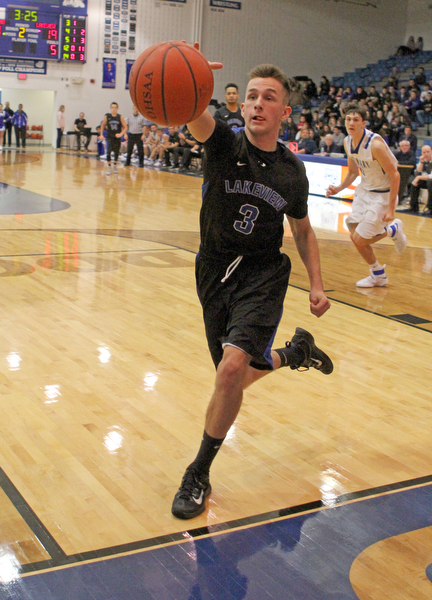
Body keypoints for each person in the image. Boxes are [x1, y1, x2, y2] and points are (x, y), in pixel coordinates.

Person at [171, 57, 332, 521]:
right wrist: (190, 74)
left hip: (263, 274)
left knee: (230, 371)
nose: (258, 104)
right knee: (235, 378)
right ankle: (294, 354)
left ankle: (198, 471)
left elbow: (301, 230)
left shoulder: (292, 172)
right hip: (215, 271)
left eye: (269, 98)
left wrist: (317, 284)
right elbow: (190, 111)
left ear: (285, 113)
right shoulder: (223, 144)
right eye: (252, 96)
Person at [326, 102, 407, 288]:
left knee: (361, 238)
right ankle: (378, 274)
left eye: (355, 119)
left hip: (383, 194)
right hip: (365, 191)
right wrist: (338, 189)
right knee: (354, 234)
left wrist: (391, 208)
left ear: (364, 123)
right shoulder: (347, 141)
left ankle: (392, 230)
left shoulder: (375, 145)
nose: (351, 123)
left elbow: (395, 174)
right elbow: (353, 172)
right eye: (348, 119)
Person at [402, 144, 432, 214]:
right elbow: (417, 173)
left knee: (430, 182)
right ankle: (413, 207)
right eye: (424, 152)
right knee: (415, 182)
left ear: (431, 152)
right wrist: (421, 162)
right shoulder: (423, 160)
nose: (426, 154)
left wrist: (418, 177)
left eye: (428, 152)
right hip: (428, 181)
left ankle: (430, 207)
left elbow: (431, 176)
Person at [99, 102, 127, 175]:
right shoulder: (107, 116)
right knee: (108, 151)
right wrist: (101, 134)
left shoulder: (120, 117)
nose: (114, 109)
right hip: (109, 137)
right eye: (112, 107)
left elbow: (125, 127)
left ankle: (115, 166)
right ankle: (108, 167)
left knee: (116, 152)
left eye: (115, 107)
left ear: (117, 108)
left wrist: (121, 134)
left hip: (117, 137)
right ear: (110, 108)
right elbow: (102, 125)